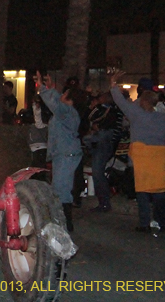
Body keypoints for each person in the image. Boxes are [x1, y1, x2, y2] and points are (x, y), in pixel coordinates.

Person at [110, 70, 165, 233]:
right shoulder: (163, 118)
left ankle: (144, 223)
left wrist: (113, 85)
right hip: (160, 157)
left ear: (143, 102)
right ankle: (163, 223)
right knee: (159, 192)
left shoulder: (137, 115)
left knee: (143, 191)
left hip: (143, 157)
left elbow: (121, 103)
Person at [34, 71, 82, 232]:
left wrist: (43, 88)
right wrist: (49, 88)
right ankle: (64, 223)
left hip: (65, 154)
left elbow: (55, 103)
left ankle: (64, 224)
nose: (60, 95)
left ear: (69, 100)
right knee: (61, 188)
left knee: (61, 189)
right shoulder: (67, 113)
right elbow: (56, 103)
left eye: (64, 94)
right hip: (65, 152)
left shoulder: (67, 112)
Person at [83, 91, 124, 212]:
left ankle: (104, 202)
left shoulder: (110, 111)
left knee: (98, 173)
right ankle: (103, 202)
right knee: (98, 173)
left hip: (104, 143)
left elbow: (97, 123)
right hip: (104, 143)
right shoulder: (111, 110)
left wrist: (97, 127)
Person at [27, 94, 51, 170]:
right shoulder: (45, 119)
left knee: (37, 171)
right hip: (38, 148)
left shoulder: (42, 120)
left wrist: (36, 108)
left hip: (39, 148)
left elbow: (38, 120)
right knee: (37, 170)